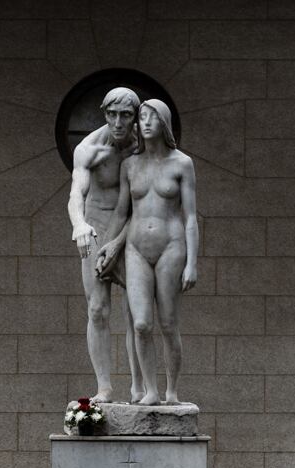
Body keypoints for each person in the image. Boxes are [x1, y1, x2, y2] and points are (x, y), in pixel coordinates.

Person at [96, 98, 199, 406]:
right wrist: (109, 245)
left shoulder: (182, 163)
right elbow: (121, 212)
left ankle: (171, 392)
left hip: (171, 246)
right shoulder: (130, 164)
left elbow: (191, 216)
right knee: (141, 324)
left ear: (164, 122)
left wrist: (193, 262)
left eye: (152, 117)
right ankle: (150, 391)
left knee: (168, 323)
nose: (146, 122)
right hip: (136, 248)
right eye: (142, 117)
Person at [66, 87, 142, 403]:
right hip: (96, 226)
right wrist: (79, 224)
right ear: (104, 114)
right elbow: (75, 195)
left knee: (137, 312)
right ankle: (104, 388)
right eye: (112, 115)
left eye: (125, 115)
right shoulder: (89, 149)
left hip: (132, 229)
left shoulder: (145, 147)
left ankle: (141, 388)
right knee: (97, 309)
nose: (118, 122)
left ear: (135, 116)